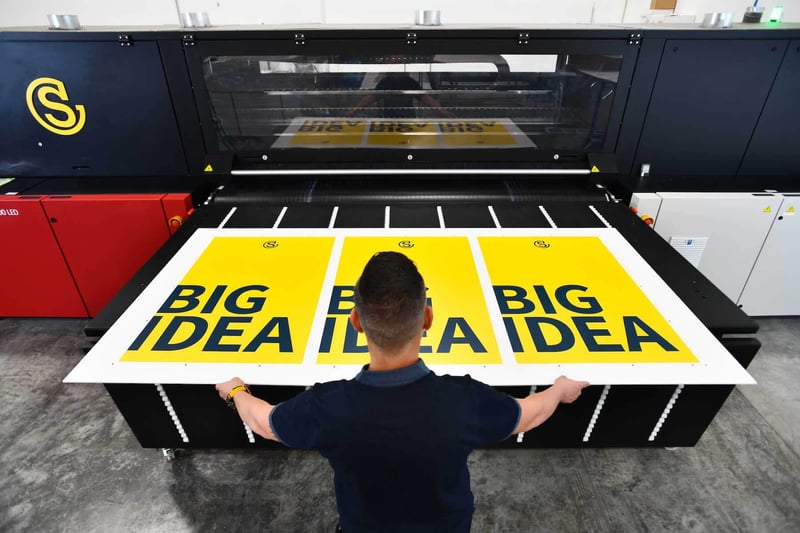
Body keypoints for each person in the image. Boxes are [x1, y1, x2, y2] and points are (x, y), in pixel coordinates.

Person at [216, 251, 589, 532]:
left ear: (355, 322)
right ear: (427, 318)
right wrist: (559, 390)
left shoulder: (326, 407)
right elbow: (527, 415)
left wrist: (236, 391)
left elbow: (264, 422)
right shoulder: (464, 401)